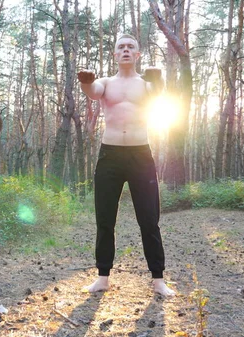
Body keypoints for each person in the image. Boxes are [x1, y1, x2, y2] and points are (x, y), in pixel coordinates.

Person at [77, 33, 175, 297]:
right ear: (114, 54)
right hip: (110, 156)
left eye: (131, 47)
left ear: (138, 54)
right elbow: (92, 92)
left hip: (140, 156)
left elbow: (157, 95)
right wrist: (86, 81)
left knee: (149, 220)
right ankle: (102, 277)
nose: (126, 50)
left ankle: (158, 280)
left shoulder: (145, 84)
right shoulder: (106, 83)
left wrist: (158, 80)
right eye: (121, 47)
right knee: (105, 219)